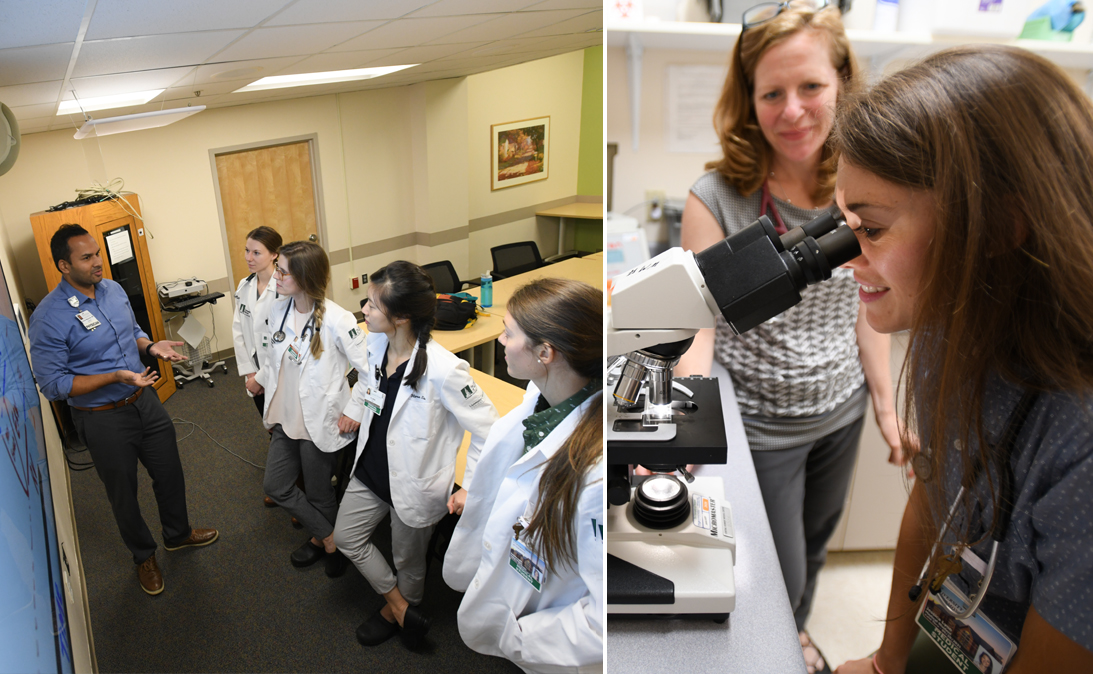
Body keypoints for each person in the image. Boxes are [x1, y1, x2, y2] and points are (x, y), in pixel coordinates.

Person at [829, 45, 1093, 673]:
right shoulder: (954, 327)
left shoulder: (1079, 441)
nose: (845, 259)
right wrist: (886, 661)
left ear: (999, 227)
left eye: (870, 229)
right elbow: (934, 496)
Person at [673, 2, 905, 669]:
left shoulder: (862, 184)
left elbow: (870, 303)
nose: (793, 110)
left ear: (841, 84)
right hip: (762, 423)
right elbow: (698, 328)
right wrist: (691, 424)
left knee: (817, 541)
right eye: (771, 93)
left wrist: (886, 407)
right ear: (748, 102)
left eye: (810, 88)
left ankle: (793, 637)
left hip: (841, 409)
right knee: (781, 568)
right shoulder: (716, 197)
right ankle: (782, 640)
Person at [28, 224, 218, 596]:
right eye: (87, 257)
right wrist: (113, 375)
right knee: (123, 493)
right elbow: (54, 384)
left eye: (97, 253)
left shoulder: (112, 290)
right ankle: (143, 556)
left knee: (169, 472)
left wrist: (151, 347)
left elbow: (133, 332)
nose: (98, 262)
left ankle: (177, 534)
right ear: (64, 266)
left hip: (144, 401)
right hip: (101, 417)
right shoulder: (49, 317)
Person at [333, 261, 498, 650]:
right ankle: (400, 604)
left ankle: (395, 612)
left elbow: (489, 428)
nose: (365, 311)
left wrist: (471, 485)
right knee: (345, 537)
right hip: (372, 469)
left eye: (372, 305)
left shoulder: (444, 370)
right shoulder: (375, 344)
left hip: (414, 482)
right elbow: (367, 387)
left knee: (409, 561)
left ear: (402, 317)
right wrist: (355, 411)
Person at [443, 278, 603, 673]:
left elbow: (604, 622)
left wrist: (519, 638)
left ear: (546, 352)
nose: (500, 339)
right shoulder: (547, 391)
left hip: (544, 639)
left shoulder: (596, 477)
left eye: (509, 332)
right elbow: (511, 457)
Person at [257, 241, 368, 577]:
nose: (275, 275)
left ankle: (322, 541)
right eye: (277, 268)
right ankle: (333, 539)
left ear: (304, 278)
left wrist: (355, 410)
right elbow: (273, 359)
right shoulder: (278, 310)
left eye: (283, 271)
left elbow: (370, 373)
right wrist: (261, 381)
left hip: (320, 419)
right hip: (285, 417)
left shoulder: (338, 319)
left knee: (320, 493)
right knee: (276, 486)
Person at [231, 225, 281, 418]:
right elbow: (238, 331)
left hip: (279, 375)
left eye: (256, 253)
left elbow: (284, 344)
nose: (248, 257)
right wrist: (250, 373)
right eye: (247, 250)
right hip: (253, 371)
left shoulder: (283, 291)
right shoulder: (245, 286)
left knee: (285, 428)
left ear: (274, 255)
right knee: (268, 424)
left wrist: (261, 378)